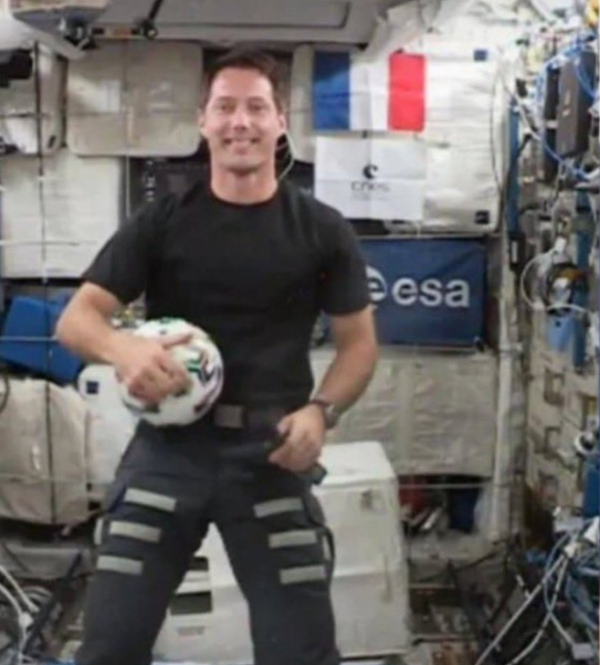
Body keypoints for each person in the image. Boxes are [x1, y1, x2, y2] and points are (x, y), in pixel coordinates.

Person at [57, 46, 378, 665]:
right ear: (201, 120)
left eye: (256, 107)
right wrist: (123, 349)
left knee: (301, 654)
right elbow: (77, 319)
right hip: (167, 455)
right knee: (109, 647)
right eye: (225, 107)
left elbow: (359, 344)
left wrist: (322, 413)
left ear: (280, 121)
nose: (240, 122)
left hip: (270, 453)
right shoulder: (161, 222)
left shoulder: (322, 230)